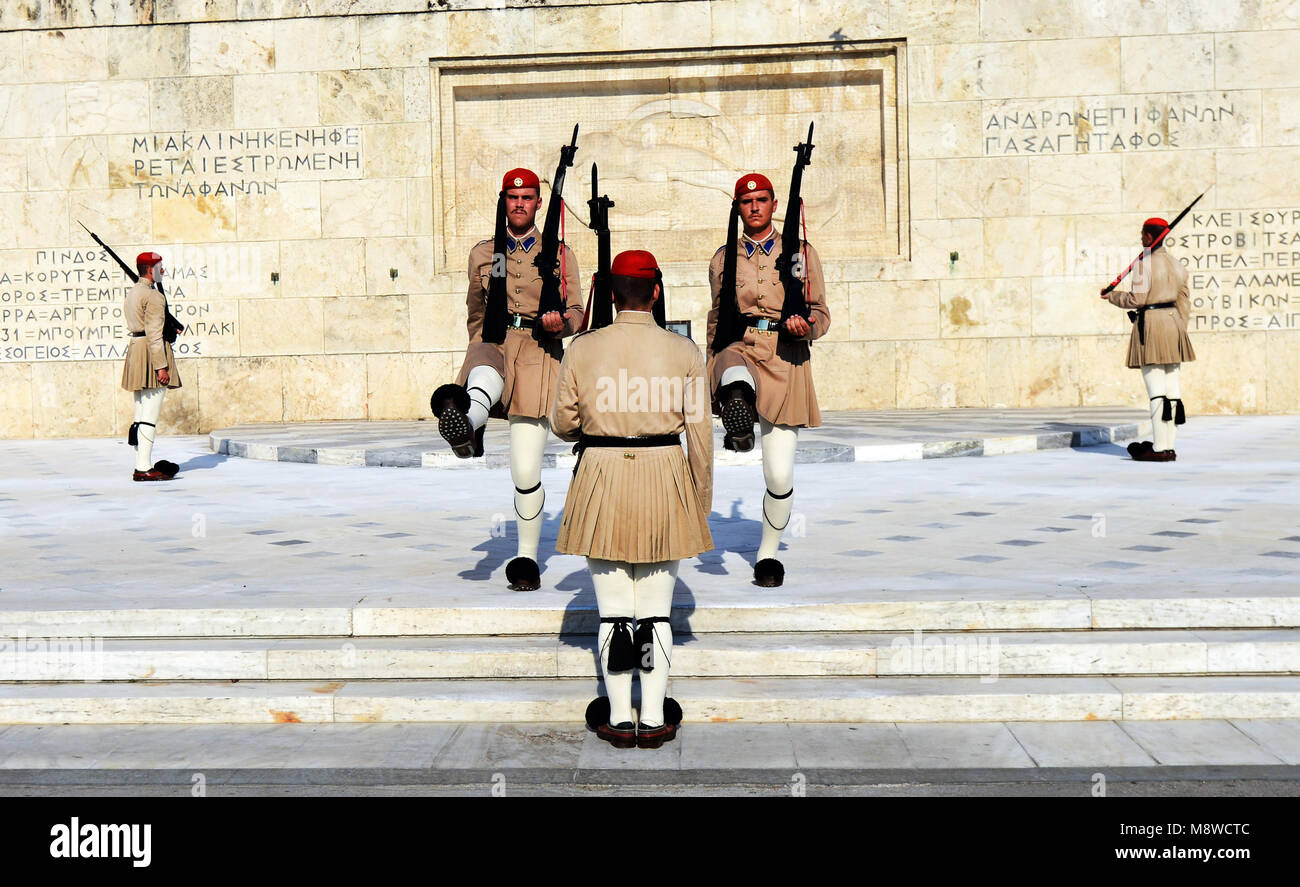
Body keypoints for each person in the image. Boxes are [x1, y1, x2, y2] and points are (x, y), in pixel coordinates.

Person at [551, 249, 713, 749]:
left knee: (616, 613)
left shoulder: (581, 348)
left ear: (612, 294)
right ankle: (658, 713)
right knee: (657, 613)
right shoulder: (685, 352)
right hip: (665, 474)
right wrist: (699, 500)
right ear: (656, 292)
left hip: (601, 474)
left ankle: (621, 717)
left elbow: (561, 423)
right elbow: (701, 434)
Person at [430, 168, 582, 590]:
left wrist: (558, 325)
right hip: (494, 341)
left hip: (538, 351)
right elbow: (475, 313)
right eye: (513, 197)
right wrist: (478, 346)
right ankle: (466, 427)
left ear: (538, 203)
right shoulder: (483, 253)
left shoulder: (560, 254)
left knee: (525, 469)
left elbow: (577, 313)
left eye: (528, 197)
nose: (520, 203)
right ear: (503, 201)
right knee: (482, 380)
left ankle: (527, 558)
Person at [706, 173, 830, 587]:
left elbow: (821, 314)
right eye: (747, 201)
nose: (754, 207)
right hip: (741, 346)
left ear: (774, 205)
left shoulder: (801, 253)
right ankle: (737, 414)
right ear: (738, 207)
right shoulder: (723, 258)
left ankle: (768, 554)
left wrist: (806, 326)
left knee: (778, 475)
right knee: (734, 373)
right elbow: (716, 317)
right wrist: (712, 368)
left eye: (761, 200)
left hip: (784, 355)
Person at [1101, 217, 1196, 462]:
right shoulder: (1177, 265)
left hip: (1152, 325)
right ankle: (1169, 445)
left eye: (1142, 234)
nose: (1140, 238)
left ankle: (1159, 447)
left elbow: (1137, 300)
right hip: (1174, 323)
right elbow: (1184, 302)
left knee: (1156, 391)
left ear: (1150, 237)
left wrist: (1112, 296)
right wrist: (1177, 328)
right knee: (1172, 391)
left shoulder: (1144, 264)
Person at [121, 252, 180, 482]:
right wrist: (161, 367)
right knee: (150, 414)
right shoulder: (154, 297)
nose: (162, 271)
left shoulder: (133, 292)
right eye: (159, 267)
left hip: (136, 348)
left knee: (140, 412)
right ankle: (144, 467)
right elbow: (155, 335)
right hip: (150, 352)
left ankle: (140, 462)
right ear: (150, 270)